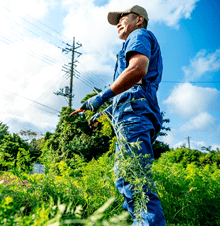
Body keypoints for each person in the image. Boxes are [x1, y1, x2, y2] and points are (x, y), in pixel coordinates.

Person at [70, 5, 166, 226]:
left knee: (134, 181)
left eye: (123, 17)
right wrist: (105, 111)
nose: (119, 23)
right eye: (117, 20)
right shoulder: (135, 40)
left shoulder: (138, 35)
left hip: (135, 115)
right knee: (129, 177)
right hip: (134, 113)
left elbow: (137, 71)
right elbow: (133, 88)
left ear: (139, 19)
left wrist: (100, 97)